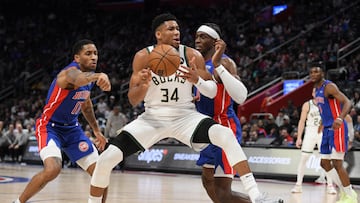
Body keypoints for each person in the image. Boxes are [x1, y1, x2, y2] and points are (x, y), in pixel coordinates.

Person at [88, 13, 282, 203]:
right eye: (171, 29)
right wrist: (144, 86)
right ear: (158, 34)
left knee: (225, 135)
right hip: (152, 118)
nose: (176, 32)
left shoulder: (191, 55)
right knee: (106, 159)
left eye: (178, 28)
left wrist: (196, 79)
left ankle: (257, 197)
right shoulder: (143, 56)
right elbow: (132, 99)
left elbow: (212, 91)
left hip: (185, 117)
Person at [13, 39, 111, 203]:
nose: (94, 57)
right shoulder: (67, 74)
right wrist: (99, 75)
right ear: (77, 57)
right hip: (49, 127)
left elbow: (86, 106)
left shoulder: (88, 83)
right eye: (88, 54)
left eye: (95, 54)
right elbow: (77, 78)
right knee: (53, 169)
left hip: (72, 130)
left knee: (101, 173)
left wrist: (97, 131)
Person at [194, 23, 251, 203]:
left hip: (224, 125)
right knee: (207, 180)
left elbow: (240, 95)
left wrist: (219, 67)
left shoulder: (225, 62)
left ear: (215, 41)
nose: (197, 40)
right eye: (197, 36)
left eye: (203, 36)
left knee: (223, 192)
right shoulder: (195, 63)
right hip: (206, 128)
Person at [310, 62, 357, 203]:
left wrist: (339, 118)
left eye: (316, 72)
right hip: (326, 129)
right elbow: (325, 109)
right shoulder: (315, 89)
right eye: (311, 72)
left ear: (322, 74)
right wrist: (322, 123)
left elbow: (348, 102)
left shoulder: (329, 87)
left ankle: (350, 194)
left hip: (337, 128)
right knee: (324, 163)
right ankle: (344, 191)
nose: (313, 74)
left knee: (337, 163)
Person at [291, 89, 336, 194]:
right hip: (310, 132)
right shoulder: (307, 104)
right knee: (304, 158)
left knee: (326, 159)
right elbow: (301, 121)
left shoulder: (326, 104)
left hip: (322, 133)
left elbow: (330, 120)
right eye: (315, 92)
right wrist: (299, 137)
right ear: (312, 93)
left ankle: (330, 185)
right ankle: (298, 185)